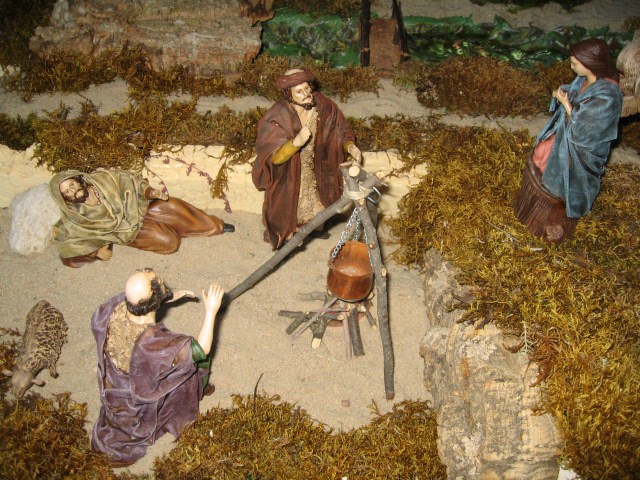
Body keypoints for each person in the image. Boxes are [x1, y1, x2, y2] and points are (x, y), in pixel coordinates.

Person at [91, 268, 224, 467]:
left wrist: (169, 296)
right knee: (193, 368)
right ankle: (198, 388)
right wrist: (211, 311)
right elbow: (200, 349)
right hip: (139, 394)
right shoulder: (151, 344)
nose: (160, 279)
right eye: (157, 282)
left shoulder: (112, 311)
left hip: (115, 381)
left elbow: (140, 300)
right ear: (153, 298)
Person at [515, 38, 622, 243]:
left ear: (590, 64)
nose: (572, 67)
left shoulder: (609, 96)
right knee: (541, 151)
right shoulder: (583, 80)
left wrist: (565, 103)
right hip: (565, 135)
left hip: (582, 149)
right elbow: (575, 93)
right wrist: (563, 93)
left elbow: (585, 128)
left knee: (562, 170)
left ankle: (559, 199)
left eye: (575, 63)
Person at [253, 68, 362, 250]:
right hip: (289, 171)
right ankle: (287, 236)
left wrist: (350, 146)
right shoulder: (277, 116)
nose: (305, 94)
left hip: (315, 166)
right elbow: (273, 158)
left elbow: (340, 129)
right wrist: (295, 143)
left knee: (317, 199)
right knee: (288, 206)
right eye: (299, 91)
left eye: (306, 88)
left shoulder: (322, 105)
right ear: (289, 95)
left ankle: (314, 227)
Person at [49, 168, 235, 267]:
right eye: (66, 192)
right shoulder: (74, 216)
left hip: (137, 206)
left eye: (71, 185)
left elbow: (129, 181)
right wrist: (96, 252)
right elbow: (67, 245)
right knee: (169, 242)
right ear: (64, 199)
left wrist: (149, 192)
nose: (72, 191)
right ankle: (174, 231)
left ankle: (214, 226)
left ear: (78, 180)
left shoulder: (103, 180)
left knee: (173, 207)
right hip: (127, 231)